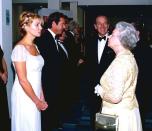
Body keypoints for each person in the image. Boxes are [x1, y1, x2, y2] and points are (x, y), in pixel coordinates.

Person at [94, 21, 142, 131]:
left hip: (118, 116)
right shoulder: (127, 56)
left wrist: (100, 90)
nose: (109, 35)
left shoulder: (121, 62)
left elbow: (115, 98)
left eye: (113, 34)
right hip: (128, 110)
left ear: (121, 40)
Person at [11, 11, 48, 131]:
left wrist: (41, 96)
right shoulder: (19, 49)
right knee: (26, 125)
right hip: (24, 94)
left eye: (41, 25)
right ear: (25, 26)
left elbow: (38, 74)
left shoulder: (35, 46)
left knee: (34, 125)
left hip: (35, 92)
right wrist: (36, 100)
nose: (41, 28)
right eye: (37, 25)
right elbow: (22, 80)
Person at [35, 12, 66, 131]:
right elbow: (45, 65)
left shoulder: (52, 37)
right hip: (48, 83)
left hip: (53, 83)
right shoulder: (44, 38)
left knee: (51, 112)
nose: (64, 27)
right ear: (54, 23)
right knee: (46, 115)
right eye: (62, 24)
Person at [84, 15, 115, 130]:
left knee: (108, 116)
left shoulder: (114, 42)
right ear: (95, 26)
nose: (102, 26)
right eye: (99, 24)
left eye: (104, 23)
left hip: (109, 86)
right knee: (94, 114)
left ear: (108, 25)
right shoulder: (90, 41)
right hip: (93, 86)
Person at [0, 46, 10, 131]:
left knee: (2, 103)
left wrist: (6, 72)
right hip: (1, 76)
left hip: (2, 78)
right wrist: (1, 74)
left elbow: (2, 58)